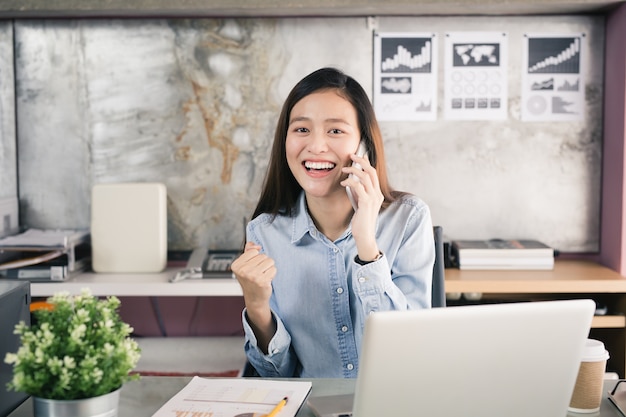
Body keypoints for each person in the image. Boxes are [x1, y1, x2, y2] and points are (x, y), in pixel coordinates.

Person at [231, 67, 434, 378]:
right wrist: (257, 308)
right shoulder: (264, 233)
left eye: (335, 131)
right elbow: (276, 377)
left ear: (364, 145)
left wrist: (367, 244)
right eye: (301, 130)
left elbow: (409, 358)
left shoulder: (408, 219)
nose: (316, 146)